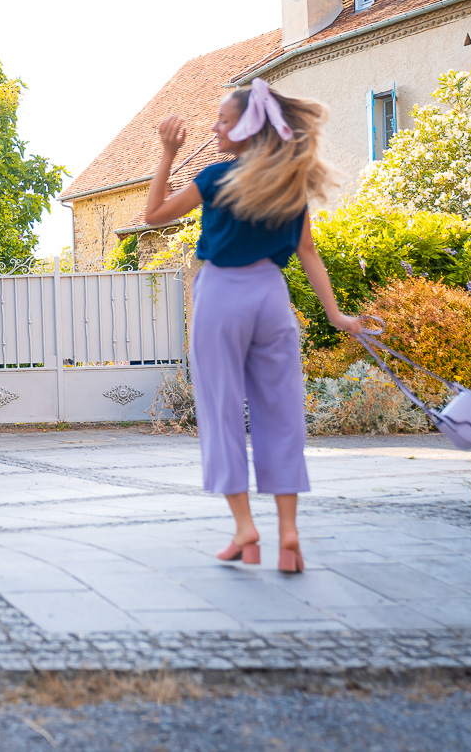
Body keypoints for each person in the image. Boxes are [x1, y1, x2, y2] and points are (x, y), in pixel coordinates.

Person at [142, 78, 361, 573]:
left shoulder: (217, 179)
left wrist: (167, 153)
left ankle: (245, 528)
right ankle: (288, 533)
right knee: (280, 413)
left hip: (221, 294)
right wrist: (336, 314)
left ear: (245, 128)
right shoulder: (290, 186)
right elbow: (308, 253)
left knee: (220, 409)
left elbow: (153, 214)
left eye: (223, 119)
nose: (216, 127)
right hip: (271, 296)